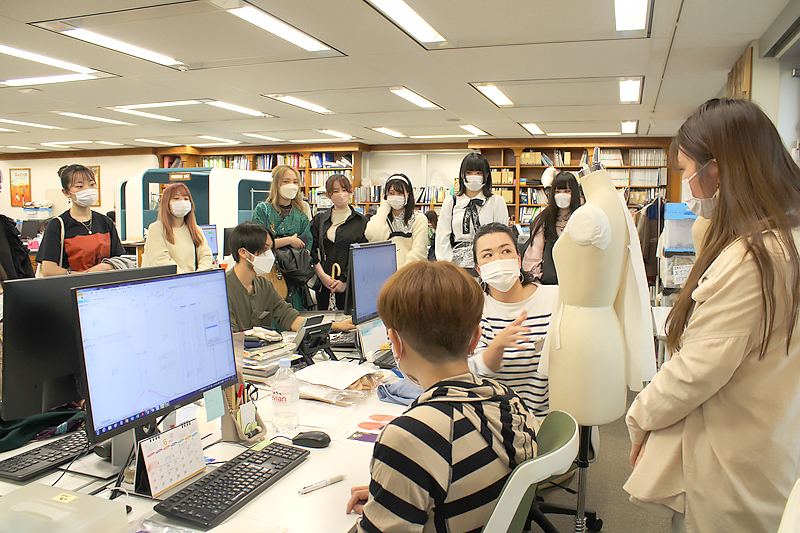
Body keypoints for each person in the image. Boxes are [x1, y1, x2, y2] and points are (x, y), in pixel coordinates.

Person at [624, 98, 800, 533]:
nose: (686, 188)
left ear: (715, 171)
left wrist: (639, 417)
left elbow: (696, 370)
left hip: (733, 460)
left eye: (686, 171)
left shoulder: (754, 260)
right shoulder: (786, 240)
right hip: (774, 436)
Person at [345, 260, 538, 532]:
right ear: (476, 338)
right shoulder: (507, 400)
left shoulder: (409, 438)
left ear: (395, 343)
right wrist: (397, 491)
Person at [470, 223, 558, 417]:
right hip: (499, 421)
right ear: (478, 269)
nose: (498, 260)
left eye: (506, 251)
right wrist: (498, 346)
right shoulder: (475, 311)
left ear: (518, 259)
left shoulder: (555, 298)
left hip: (550, 418)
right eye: (488, 255)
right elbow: (475, 371)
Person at [226, 221, 354, 333]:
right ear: (243, 252)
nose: (270, 255)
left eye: (270, 249)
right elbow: (231, 337)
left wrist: (336, 326)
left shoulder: (264, 285)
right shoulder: (223, 290)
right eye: (264, 249)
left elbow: (290, 318)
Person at [36, 164, 125, 276]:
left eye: (92, 184)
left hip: (104, 284)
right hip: (72, 285)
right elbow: (49, 270)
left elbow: (118, 259)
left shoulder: (105, 222)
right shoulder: (58, 225)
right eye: (79, 186)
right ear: (66, 192)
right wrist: (83, 276)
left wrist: (104, 266)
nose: (88, 190)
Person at [251, 165, 312, 310]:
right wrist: (289, 240)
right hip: (269, 274)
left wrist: (275, 243)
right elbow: (259, 244)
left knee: (294, 317)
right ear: (276, 184)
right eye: (286, 181)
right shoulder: (263, 210)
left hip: (294, 277)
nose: (291, 185)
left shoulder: (300, 215)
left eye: (295, 182)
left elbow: (305, 247)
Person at [436, 153, 508, 272]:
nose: (474, 177)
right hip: (456, 266)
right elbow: (442, 238)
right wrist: (447, 267)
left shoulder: (497, 201)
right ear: (462, 175)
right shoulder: (451, 202)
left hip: (489, 263)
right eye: (469, 173)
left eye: (479, 173)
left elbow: (502, 237)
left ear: (486, 175)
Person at [310, 174, 367, 311]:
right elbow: (311, 249)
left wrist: (345, 281)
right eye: (335, 191)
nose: (341, 194)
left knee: (348, 320)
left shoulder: (362, 222)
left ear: (351, 192)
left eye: (344, 190)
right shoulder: (320, 220)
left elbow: (363, 255)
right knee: (325, 320)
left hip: (351, 285)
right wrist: (322, 276)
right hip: (324, 284)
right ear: (328, 195)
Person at [522, 170, 581, 283]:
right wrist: (535, 280)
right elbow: (534, 254)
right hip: (549, 282)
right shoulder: (543, 219)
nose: (562, 195)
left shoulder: (582, 218)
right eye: (558, 191)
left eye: (567, 191)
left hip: (576, 280)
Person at [142, 182, 213, 273]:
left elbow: (206, 256)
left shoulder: (196, 230)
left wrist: (198, 275)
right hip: (170, 280)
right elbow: (161, 262)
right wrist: (186, 278)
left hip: (194, 279)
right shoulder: (156, 229)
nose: (182, 202)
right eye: (176, 198)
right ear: (167, 202)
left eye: (186, 198)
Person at [364, 173, 427, 267]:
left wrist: (403, 272)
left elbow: (419, 252)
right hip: (383, 270)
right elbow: (372, 237)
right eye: (391, 193)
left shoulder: (419, 218)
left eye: (400, 193)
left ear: (408, 194)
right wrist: (383, 207)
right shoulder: (380, 218)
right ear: (385, 195)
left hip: (410, 272)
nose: (395, 196)